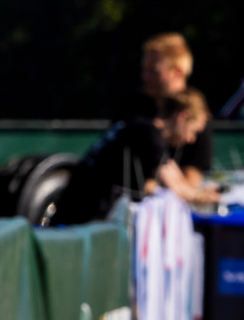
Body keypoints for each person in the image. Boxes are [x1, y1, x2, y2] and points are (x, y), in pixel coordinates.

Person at [54, 88, 219, 224]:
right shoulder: (149, 135)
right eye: (193, 131)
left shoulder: (144, 128)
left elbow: (172, 178)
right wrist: (203, 197)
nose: (191, 139)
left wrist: (199, 192)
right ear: (183, 116)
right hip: (83, 219)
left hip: (80, 215)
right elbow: (174, 187)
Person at [111, 32, 214, 189]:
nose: (145, 76)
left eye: (153, 71)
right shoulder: (131, 107)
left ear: (177, 72)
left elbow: (189, 186)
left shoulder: (195, 120)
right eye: (144, 69)